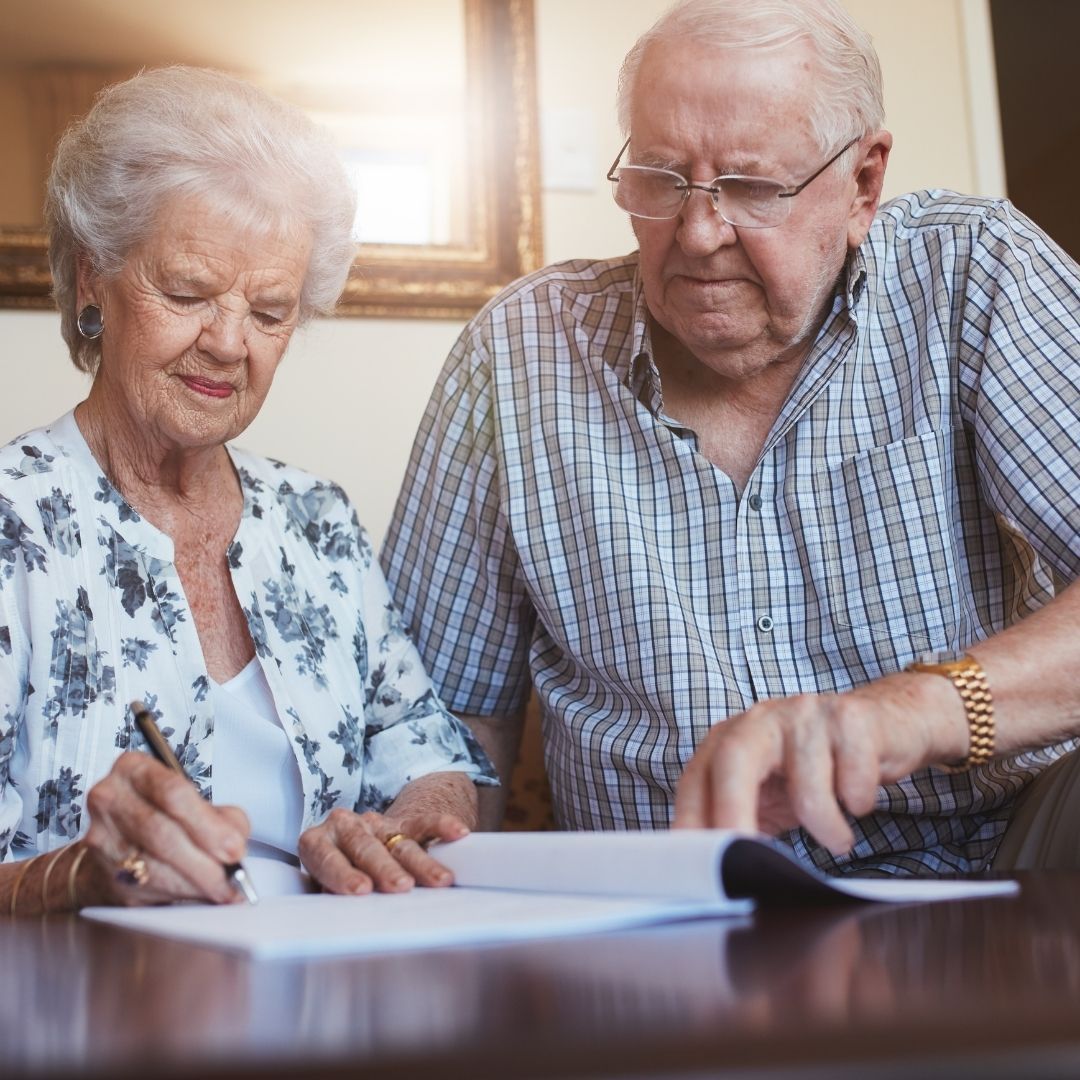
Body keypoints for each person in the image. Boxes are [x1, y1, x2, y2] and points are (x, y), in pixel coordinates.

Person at [381, 0, 1080, 875]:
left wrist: (906, 713)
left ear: (864, 183)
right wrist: (428, 812)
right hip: (664, 911)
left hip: (998, 865)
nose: (700, 234)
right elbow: (440, 712)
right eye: (661, 180)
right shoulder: (520, 350)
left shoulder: (973, 272)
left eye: (752, 188)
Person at [0, 66, 495, 917]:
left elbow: (428, 758)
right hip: (86, 1007)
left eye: (270, 312)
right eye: (188, 293)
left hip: (323, 997)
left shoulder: (317, 522)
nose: (230, 344)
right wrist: (81, 878)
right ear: (93, 282)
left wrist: (403, 834)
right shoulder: (16, 520)